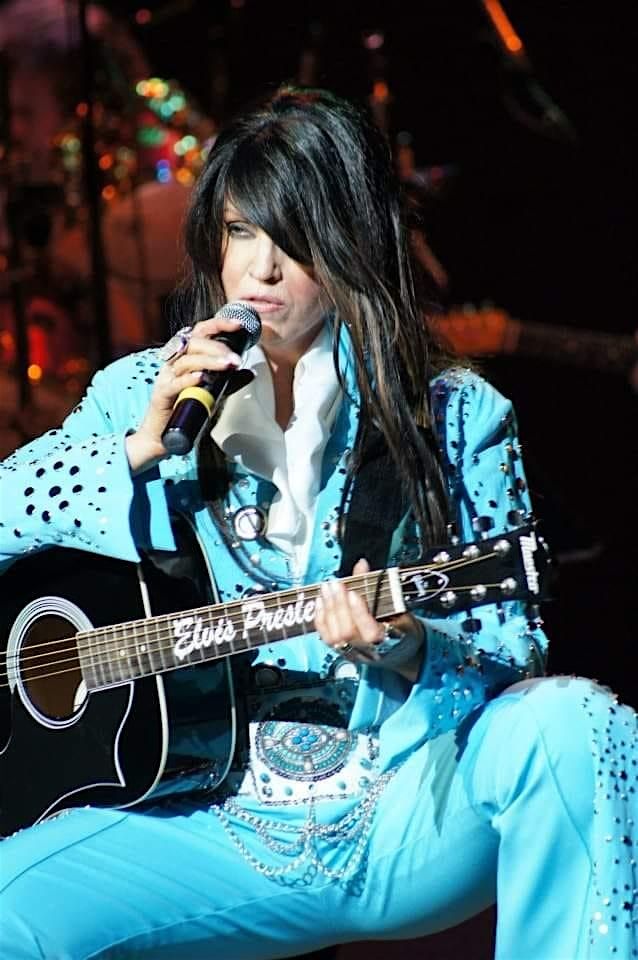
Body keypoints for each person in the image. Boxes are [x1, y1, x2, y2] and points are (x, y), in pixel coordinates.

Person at [0, 85, 635, 960]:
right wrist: (137, 450)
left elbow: (510, 647)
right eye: (240, 232)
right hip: (204, 823)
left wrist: (409, 647)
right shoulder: (138, 394)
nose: (259, 271)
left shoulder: (455, 414)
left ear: (350, 247)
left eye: (292, 240)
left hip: (400, 807)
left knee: (578, 725)